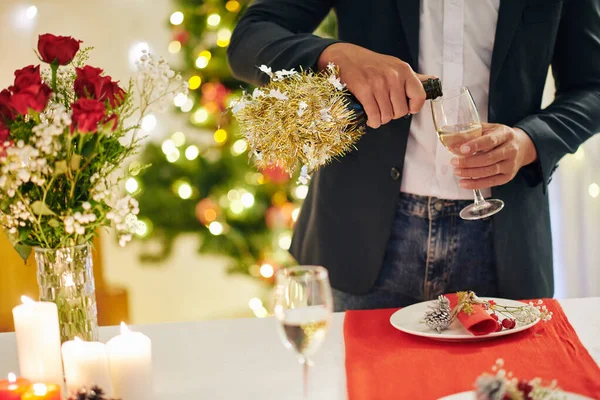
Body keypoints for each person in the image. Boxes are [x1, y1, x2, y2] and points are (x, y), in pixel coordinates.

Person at [227, 0, 600, 311]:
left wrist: (529, 141)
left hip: (505, 243)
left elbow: (592, 87)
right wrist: (334, 56)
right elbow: (250, 36)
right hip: (357, 237)